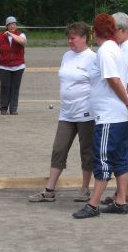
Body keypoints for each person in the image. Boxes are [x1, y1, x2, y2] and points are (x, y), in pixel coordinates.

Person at [73, 13, 128, 219]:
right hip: (120, 116)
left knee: (102, 159)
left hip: (109, 116)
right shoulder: (116, 49)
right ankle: (120, 202)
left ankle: (92, 205)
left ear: (94, 31)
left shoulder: (106, 51)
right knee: (121, 157)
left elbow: (114, 80)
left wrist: (127, 102)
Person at [29, 22, 96, 203]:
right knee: (58, 149)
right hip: (66, 113)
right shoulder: (67, 55)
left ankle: (85, 189)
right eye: (68, 38)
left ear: (84, 38)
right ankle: (49, 190)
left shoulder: (92, 58)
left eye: (73, 38)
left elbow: (98, 85)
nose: (69, 41)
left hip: (86, 113)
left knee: (86, 152)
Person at [101, 12, 128, 208]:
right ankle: (122, 192)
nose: (111, 33)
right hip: (122, 105)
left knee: (127, 147)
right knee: (122, 148)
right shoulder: (120, 46)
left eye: (114, 30)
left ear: (124, 31)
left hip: (124, 106)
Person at [0, 16, 26, 115]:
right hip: (4, 66)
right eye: (10, 24)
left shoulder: (21, 35)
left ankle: (13, 109)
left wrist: (11, 34)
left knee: (15, 87)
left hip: (18, 66)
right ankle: (3, 108)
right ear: (7, 26)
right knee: (5, 87)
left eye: (14, 24)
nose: (13, 26)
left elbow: (22, 42)